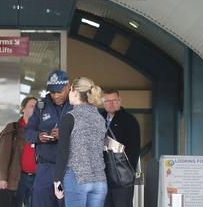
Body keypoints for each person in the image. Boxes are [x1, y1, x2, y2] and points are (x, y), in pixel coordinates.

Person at [53, 77, 107, 207]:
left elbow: (63, 152)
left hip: (77, 177)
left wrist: (57, 180)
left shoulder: (70, 117)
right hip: (99, 180)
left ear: (75, 92)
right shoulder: (100, 118)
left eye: (70, 90)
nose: (69, 94)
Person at [24, 70, 73, 207]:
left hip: (69, 167)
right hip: (45, 167)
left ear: (68, 86)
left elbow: (86, 135)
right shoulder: (42, 106)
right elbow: (28, 132)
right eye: (52, 92)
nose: (56, 95)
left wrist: (64, 134)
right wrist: (38, 137)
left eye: (59, 91)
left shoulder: (76, 105)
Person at [101, 89, 140, 207]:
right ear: (103, 102)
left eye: (114, 100)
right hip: (103, 175)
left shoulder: (129, 120)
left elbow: (134, 150)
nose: (111, 103)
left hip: (122, 175)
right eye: (107, 101)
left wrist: (128, 172)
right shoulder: (99, 118)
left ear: (120, 101)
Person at [0, 96, 38, 207]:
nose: (34, 109)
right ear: (23, 109)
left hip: (37, 178)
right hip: (17, 178)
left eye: (37, 107)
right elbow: (3, 156)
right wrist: (2, 178)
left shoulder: (40, 130)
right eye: (31, 106)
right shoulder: (13, 128)